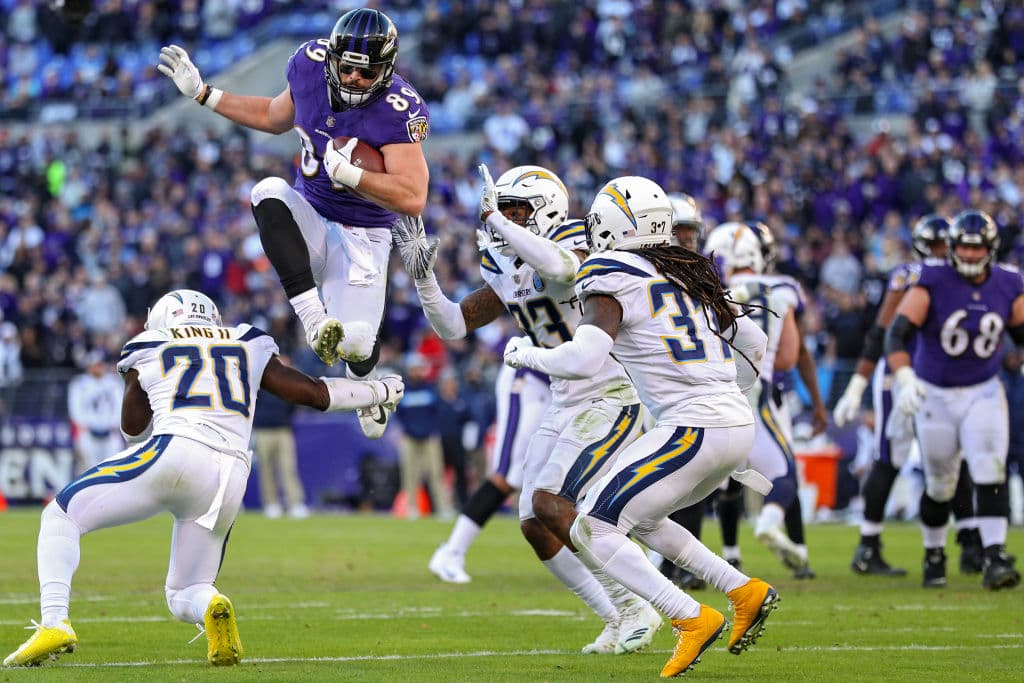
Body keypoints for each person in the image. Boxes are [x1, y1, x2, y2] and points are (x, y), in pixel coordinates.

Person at [3, 289, 405, 668]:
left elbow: (132, 428)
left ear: (161, 318)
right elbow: (313, 394)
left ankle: (54, 621)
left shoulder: (152, 342)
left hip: (177, 449)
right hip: (230, 474)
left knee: (61, 516)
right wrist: (379, 390)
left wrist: (138, 379)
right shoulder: (245, 338)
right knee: (185, 592)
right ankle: (212, 604)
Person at [502, 176, 778, 677]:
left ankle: (688, 617)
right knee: (643, 520)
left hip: (693, 426)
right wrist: (728, 402)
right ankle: (743, 590)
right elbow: (755, 346)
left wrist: (527, 354)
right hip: (731, 423)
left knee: (592, 524)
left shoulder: (609, 270)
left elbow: (586, 358)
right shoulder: (686, 268)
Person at [394, 165, 661, 655]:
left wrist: (500, 223)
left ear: (548, 210)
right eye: (504, 208)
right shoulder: (506, 261)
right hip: (564, 395)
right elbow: (454, 325)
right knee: (533, 520)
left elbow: (561, 268)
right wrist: (425, 280)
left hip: (610, 389)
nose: (508, 218)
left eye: (519, 209)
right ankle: (616, 614)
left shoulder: (577, 238)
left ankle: (645, 601)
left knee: (557, 503)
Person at [158, 8, 429, 440]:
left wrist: (354, 176)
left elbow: (414, 197)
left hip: (364, 236)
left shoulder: (399, 108)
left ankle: (367, 383)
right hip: (312, 218)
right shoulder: (308, 63)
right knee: (267, 190)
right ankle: (313, 319)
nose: (356, 79)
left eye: (368, 72)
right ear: (333, 57)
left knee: (356, 346)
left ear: (388, 69)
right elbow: (272, 116)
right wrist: (205, 93)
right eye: (348, 68)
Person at [886, 209, 1024, 590]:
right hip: (936, 392)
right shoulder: (931, 279)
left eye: (976, 249)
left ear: (991, 250)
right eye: (963, 246)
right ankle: (934, 553)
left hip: (983, 388)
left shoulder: (1009, 283)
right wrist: (905, 374)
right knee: (940, 483)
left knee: (989, 468)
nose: (969, 254)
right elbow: (895, 335)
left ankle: (994, 556)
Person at [835, 215, 981, 576]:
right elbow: (883, 331)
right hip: (901, 372)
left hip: (941, 374)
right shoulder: (911, 275)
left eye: (941, 246)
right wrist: (858, 383)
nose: (937, 253)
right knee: (889, 454)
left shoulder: (962, 277)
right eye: (932, 247)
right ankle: (868, 545)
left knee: (953, 454)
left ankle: (970, 542)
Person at [703, 221, 814, 578]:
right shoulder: (784, 288)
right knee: (783, 475)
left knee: (708, 484)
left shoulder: (710, 292)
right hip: (756, 395)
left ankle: (685, 560)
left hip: (712, 392)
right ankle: (770, 523)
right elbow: (785, 359)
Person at [429, 361, 551, 584]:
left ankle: (605, 559)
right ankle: (452, 553)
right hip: (532, 378)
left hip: (569, 382)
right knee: (507, 476)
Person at [396, 353, 454, 520]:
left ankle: (443, 508)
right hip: (410, 438)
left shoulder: (430, 388)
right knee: (410, 475)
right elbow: (400, 415)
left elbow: (437, 413)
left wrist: (429, 430)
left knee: (436, 474)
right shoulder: (403, 389)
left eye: (419, 368)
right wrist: (410, 430)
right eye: (414, 369)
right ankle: (411, 509)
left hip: (429, 438)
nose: (416, 372)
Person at [252, 378, 309, 520]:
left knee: (288, 467)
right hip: (262, 430)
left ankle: (295, 503)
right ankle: (271, 504)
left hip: (283, 429)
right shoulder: (258, 380)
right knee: (266, 469)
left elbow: (293, 404)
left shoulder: (286, 382)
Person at [67, 350, 124, 474]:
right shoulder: (80, 383)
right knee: (89, 469)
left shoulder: (113, 382)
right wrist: (84, 424)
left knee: (113, 467)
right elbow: (75, 409)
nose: (99, 367)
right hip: (88, 432)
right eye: (96, 365)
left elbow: (121, 406)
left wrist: (115, 423)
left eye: (101, 364)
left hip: (110, 432)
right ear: (89, 366)